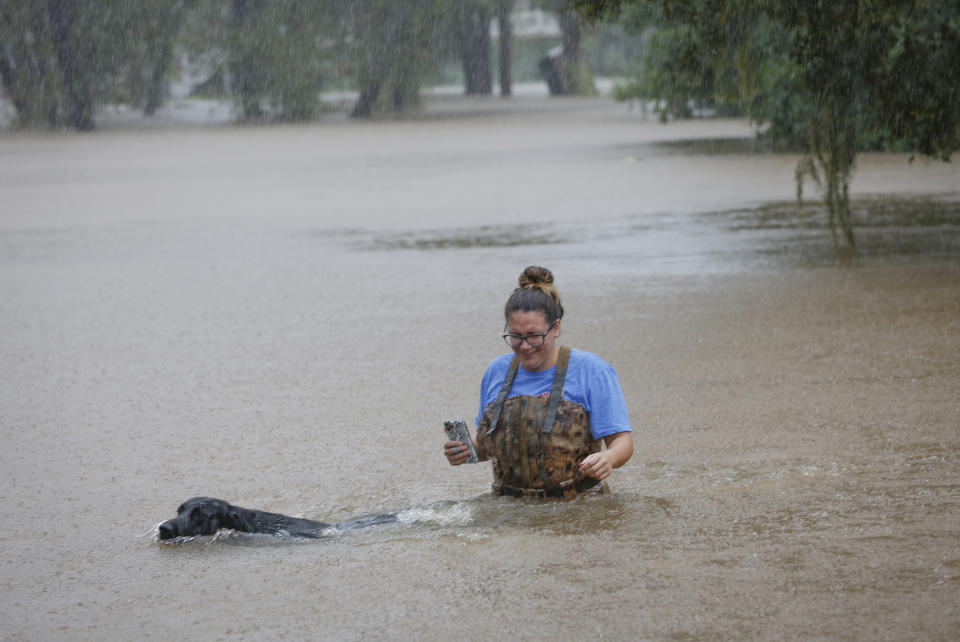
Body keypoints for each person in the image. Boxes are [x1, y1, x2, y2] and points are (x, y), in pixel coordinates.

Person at [444, 266, 633, 498]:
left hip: (578, 504)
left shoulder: (592, 370)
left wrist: (609, 458)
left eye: (534, 336)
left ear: (556, 328)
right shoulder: (496, 372)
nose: (524, 345)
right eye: (515, 336)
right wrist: (465, 451)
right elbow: (488, 447)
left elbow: (622, 441)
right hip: (508, 504)